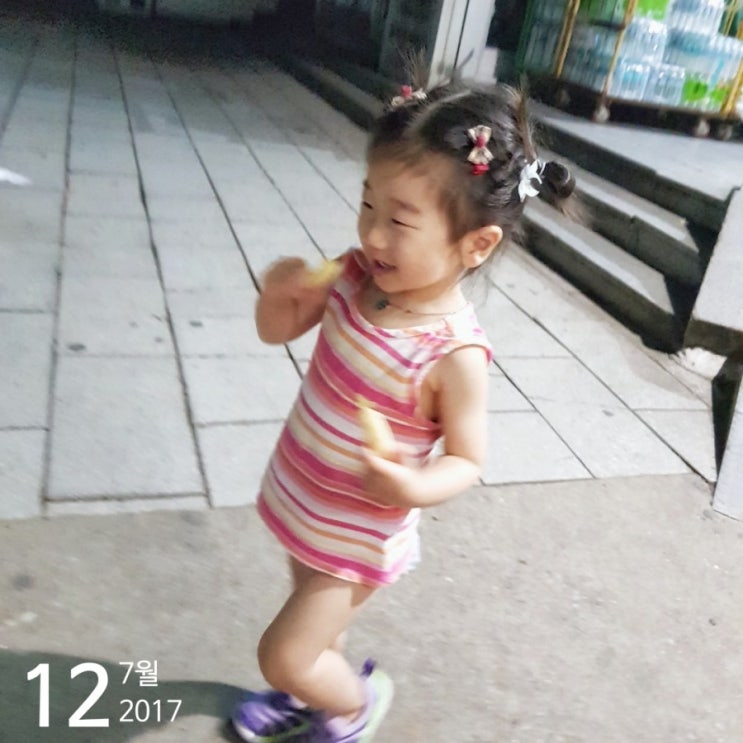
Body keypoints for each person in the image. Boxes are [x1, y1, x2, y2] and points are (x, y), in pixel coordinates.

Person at [231, 79, 576, 742]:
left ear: (475, 244)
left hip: (359, 530)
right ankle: (315, 690)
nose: (371, 232)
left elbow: (466, 459)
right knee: (312, 628)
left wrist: (411, 485)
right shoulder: (353, 273)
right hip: (308, 496)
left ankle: (351, 703)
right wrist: (277, 294)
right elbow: (277, 329)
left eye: (399, 220)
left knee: (285, 655)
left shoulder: (452, 354)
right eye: (367, 203)